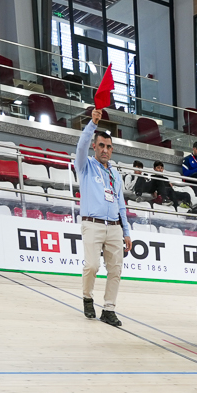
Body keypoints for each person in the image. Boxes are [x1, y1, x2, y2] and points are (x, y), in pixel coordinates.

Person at [75, 106, 133, 326]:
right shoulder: (85, 166)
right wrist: (93, 124)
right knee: (91, 266)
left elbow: (120, 204)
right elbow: (80, 146)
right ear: (94, 146)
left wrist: (126, 231)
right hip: (93, 224)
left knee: (116, 269)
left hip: (114, 227)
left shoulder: (115, 174)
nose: (105, 150)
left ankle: (109, 308)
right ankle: (87, 297)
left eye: (109, 147)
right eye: (101, 145)